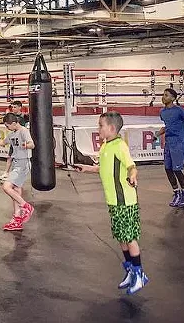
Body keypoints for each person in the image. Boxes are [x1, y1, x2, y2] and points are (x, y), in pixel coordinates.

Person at [74, 111, 148, 295]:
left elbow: (131, 166)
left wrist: (132, 175)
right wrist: (87, 168)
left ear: (112, 128)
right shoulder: (105, 147)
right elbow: (103, 168)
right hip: (113, 201)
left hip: (125, 201)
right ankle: (131, 271)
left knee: (130, 238)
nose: (98, 128)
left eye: (101, 125)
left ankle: (140, 275)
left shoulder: (120, 146)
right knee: (121, 237)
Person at [0, 113, 35, 231]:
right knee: (15, 190)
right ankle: (17, 219)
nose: (7, 128)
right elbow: (2, 143)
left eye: (8, 126)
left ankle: (26, 206)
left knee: (6, 186)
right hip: (16, 163)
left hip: (22, 163)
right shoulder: (12, 133)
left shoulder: (23, 131)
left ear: (14, 123)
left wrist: (26, 145)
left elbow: (32, 144)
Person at [158, 88, 184, 208]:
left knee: (177, 170)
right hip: (169, 143)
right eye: (163, 95)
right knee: (168, 169)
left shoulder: (180, 111)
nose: (163, 97)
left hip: (179, 143)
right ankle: (176, 193)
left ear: (173, 98)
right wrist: (156, 135)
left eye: (166, 95)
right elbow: (167, 126)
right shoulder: (162, 112)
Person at [0, 101, 27, 181]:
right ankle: (6, 173)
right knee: (10, 156)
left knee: (19, 158)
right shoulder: (11, 116)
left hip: (21, 140)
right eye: (12, 107)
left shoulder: (24, 116)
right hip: (14, 139)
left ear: (20, 107)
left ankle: (16, 174)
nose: (13, 109)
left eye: (15, 107)